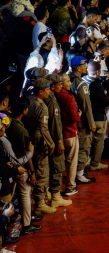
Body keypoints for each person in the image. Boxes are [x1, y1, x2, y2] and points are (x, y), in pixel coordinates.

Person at [4, 97, 41, 235]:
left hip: (11, 167)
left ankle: (25, 217)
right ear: (24, 111)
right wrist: (32, 171)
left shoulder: (10, 125)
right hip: (21, 167)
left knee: (17, 194)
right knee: (25, 194)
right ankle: (27, 224)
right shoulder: (21, 130)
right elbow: (27, 151)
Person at [43, 74, 72, 208]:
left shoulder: (48, 98)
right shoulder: (51, 101)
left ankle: (47, 193)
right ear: (52, 86)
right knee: (57, 167)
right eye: (59, 84)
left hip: (49, 139)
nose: (61, 86)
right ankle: (55, 197)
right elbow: (54, 123)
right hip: (54, 139)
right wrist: (59, 141)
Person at [29, 78, 57, 214]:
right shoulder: (42, 106)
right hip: (39, 142)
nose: (49, 91)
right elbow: (43, 128)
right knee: (41, 172)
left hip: (27, 142)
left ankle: (34, 198)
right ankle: (40, 203)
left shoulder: (27, 100)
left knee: (31, 170)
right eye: (47, 89)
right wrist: (51, 143)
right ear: (40, 92)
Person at [68, 55, 97, 185]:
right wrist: (91, 122)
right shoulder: (81, 83)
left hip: (71, 119)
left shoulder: (68, 79)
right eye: (84, 65)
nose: (86, 67)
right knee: (84, 146)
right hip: (82, 121)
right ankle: (79, 174)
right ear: (78, 68)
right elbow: (86, 105)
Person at [86, 61, 109, 171]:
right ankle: (95, 164)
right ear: (98, 72)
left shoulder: (83, 82)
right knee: (99, 142)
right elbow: (106, 102)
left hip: (87, 117)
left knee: (87, 142)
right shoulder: (97, 86)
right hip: (98, 116)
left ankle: (86, 161)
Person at [57, 73, 81, 196]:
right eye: (68, 81)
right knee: (71, 162)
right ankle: (70, 187)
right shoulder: (68, 97)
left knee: (57, 163)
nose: (70, 83)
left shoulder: (52, 96)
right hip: (70, 133)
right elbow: (73, 117)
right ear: (61, 83)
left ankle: (54, 190)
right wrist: (79, 116)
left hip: (57, 135)